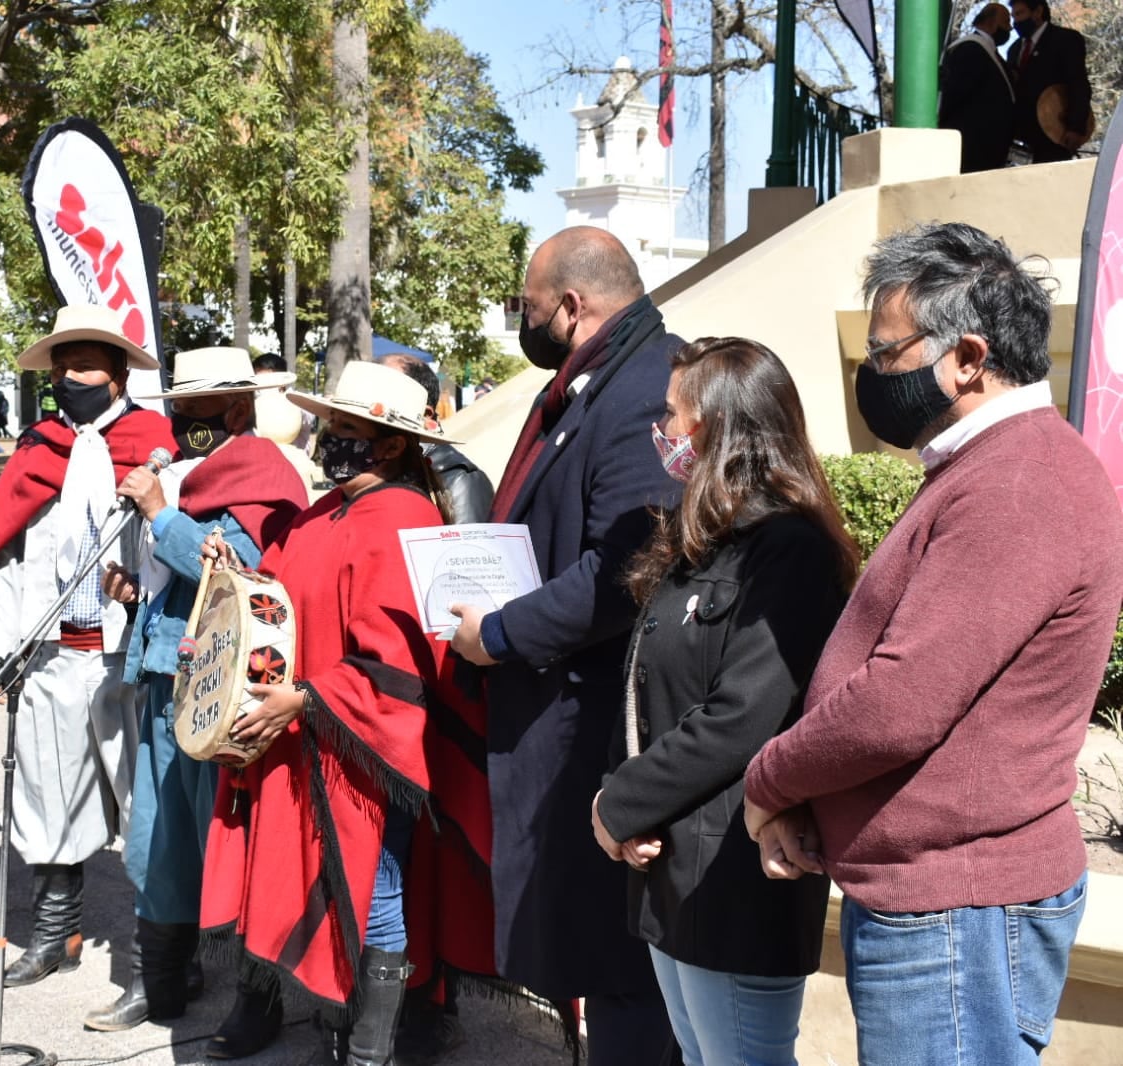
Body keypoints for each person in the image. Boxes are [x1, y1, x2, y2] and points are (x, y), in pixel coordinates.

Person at [744, 222, 1123, 1066]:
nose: (873, 377)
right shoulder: (988, 467)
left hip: (955, 913)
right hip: (944, 904)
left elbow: (898, 703)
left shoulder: (1018, 480)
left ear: (966, 357)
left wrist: (767, 781)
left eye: (885, 355)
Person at [198, 361, 497, 1066]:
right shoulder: (318, 512)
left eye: (343, 427)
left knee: (378, 890)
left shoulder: (403, 515)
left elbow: (395, 662)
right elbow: (279, 600)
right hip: (301, 737)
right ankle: (349, 1031)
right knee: (332, 887)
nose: (326, 436)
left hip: (363, 745)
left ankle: (371, 1048)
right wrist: (233, 573)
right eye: (329, 423)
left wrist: (305, 698)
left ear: (389, 444)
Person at [447, 225, 681, 1062]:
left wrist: (505, 632)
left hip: (600, 723)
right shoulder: (600, 377)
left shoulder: (648, 383)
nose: (525, 319)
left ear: (572, 307)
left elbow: (630, 564)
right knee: (588, 949)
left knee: (616, 964)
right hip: (563, 706)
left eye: (530, 306)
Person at [590, 338, 858, 1065]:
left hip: (734, 876)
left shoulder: (786, 550)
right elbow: (649, 688)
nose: (663, 434)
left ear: (710, 425)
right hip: (670, 868)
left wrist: (618, 803)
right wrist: (632, 808)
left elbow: (745, 712)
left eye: (672, 416)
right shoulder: (702, 542)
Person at [82, 347, 308, 1032]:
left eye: (195, 410)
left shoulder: (266, 473)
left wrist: (162, 516)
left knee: (229, 840)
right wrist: (133, 589)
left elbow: (238, 570)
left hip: (222, 685)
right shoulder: (191, 472)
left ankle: (255, 998)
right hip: (162, 674)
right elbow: (180, 573)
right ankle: (162, 981)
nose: (180, 422)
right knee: (156, 839)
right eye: (175, 408)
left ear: (237, 408)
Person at [0, 304, 173, 986]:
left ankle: (156, 957)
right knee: (47, 793)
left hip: (127, 654)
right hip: (50, 652)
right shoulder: (35, 447)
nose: (67, 377)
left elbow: (176, 544)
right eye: (59, 365)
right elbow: (8, 554)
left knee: (146, 804)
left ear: (115, 372)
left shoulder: (154, 443)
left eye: (81, 364)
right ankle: (55, 933)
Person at [380, 353, 494, 524]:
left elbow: (466, 548)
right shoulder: (365, 470)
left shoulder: (459, 480)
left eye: (382, 388)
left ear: (425, 414)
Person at [1009, 0, 1090, 163]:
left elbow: (1078, 83)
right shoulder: (1014, 49)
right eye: (1013, 16)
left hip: (1055, 135)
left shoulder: (1065, 40)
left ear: (1037, 12)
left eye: (1020, 14)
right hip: (1021, 142)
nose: (1015, 22)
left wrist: (1076, 127)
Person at [939, 4, 1016, 173]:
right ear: (990, 22)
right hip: (971, 148)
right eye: (1006, 21)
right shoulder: (970, 49)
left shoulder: (991, 54)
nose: (1010, 27)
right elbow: (955, 94)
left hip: (990, 152)